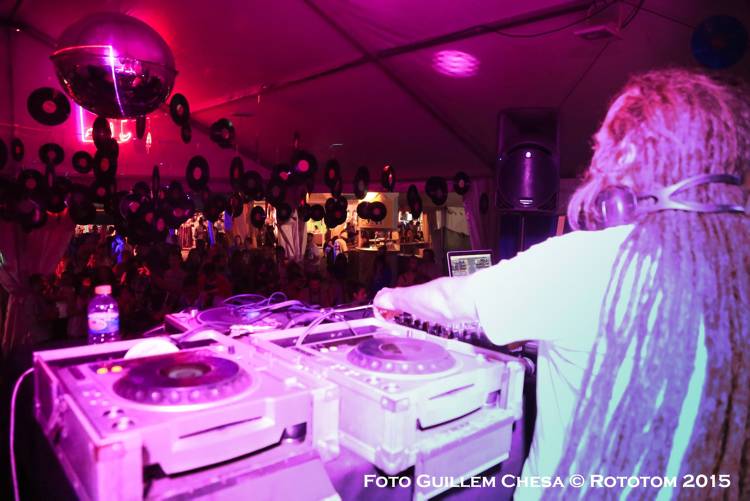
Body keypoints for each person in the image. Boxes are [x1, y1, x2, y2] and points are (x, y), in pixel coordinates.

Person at [375, 69, 750, 500]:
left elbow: (450, 300)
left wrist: (391, 296)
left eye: (604, 152)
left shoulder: (588, 260)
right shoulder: (736, 269)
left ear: (629, 157)